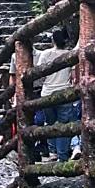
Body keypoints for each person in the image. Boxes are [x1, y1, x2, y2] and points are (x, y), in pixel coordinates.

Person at [35, 27, 80, 162]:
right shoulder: (70, 54)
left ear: (53, 40)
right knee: (63, 124)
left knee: (50, 123)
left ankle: (53, 151)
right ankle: (62, 155)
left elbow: (40, 74)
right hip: (64, 93)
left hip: (47, 92)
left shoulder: (45, 54)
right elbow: (74, 77)